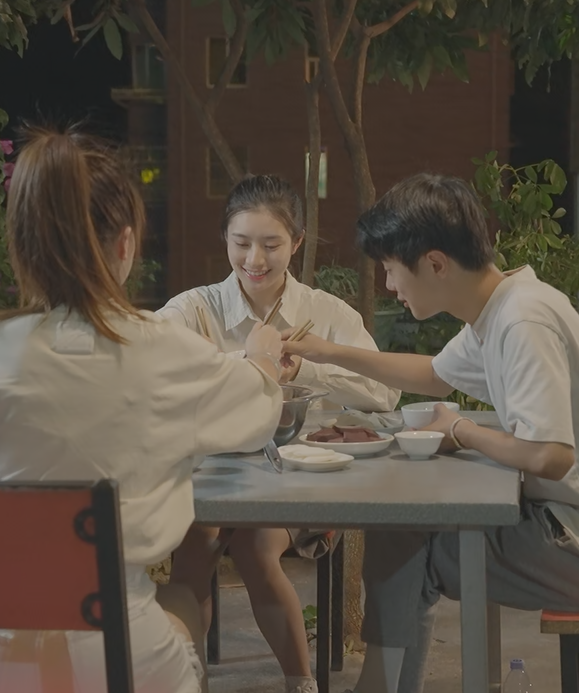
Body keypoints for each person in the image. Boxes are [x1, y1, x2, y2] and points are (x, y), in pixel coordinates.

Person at [0, 126, 287, 693]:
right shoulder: (161, 347)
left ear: (23, 245)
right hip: (115, 647)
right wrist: (264, 359)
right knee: (182, 599)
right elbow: (257, 409)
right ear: (125, 244)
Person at [281, 173, 579, 693]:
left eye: (392, 269)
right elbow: (433, 375)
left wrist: (463, 430)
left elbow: (550, 456)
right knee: (402, 529)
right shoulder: (505, 305)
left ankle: (379, 687)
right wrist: (327, 352)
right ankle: (381, 686)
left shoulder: (522, 322)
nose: (390, 285)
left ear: (435, 263)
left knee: (412, 552)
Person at [159, 174, 399, 693]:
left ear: (297, 241)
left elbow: (385, 393)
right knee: (194, 549)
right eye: (241, 243)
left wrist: (309, 367)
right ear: (225, 238)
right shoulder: (193, 309)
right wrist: (250, 361)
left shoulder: (326, 313)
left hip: (301, 478)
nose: (255, 259)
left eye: (271, 244)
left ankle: (301, 683)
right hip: (212, 476)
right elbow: (153, 375)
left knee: (254, 546)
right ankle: (187, 682)